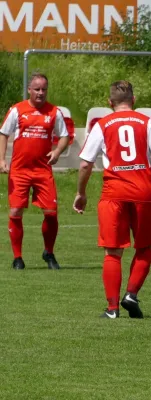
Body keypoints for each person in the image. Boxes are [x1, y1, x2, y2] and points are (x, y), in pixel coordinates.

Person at [73, 80, 151, 319]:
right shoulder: (148, 123)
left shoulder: (102, 124)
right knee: (144, 247)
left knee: (113, 252)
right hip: (144, 192)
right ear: (134, 100)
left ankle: (112, 309)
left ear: (109, 102)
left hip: (113, 194)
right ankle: (131, 294)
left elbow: (84, 164)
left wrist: (81, 193)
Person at [0, 72, 70, 270]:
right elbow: (4, 133)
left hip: (43, 171)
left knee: (51, 213)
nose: (40, 93)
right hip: (20, 171)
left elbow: (64, 136)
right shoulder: (17, 110)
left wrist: (57, 151)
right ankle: (17, 258)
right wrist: (2, 160)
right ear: (29, 90)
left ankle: (48, 252)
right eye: (37, 89)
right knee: (15, 212)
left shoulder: (54, 112)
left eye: (44, 89)